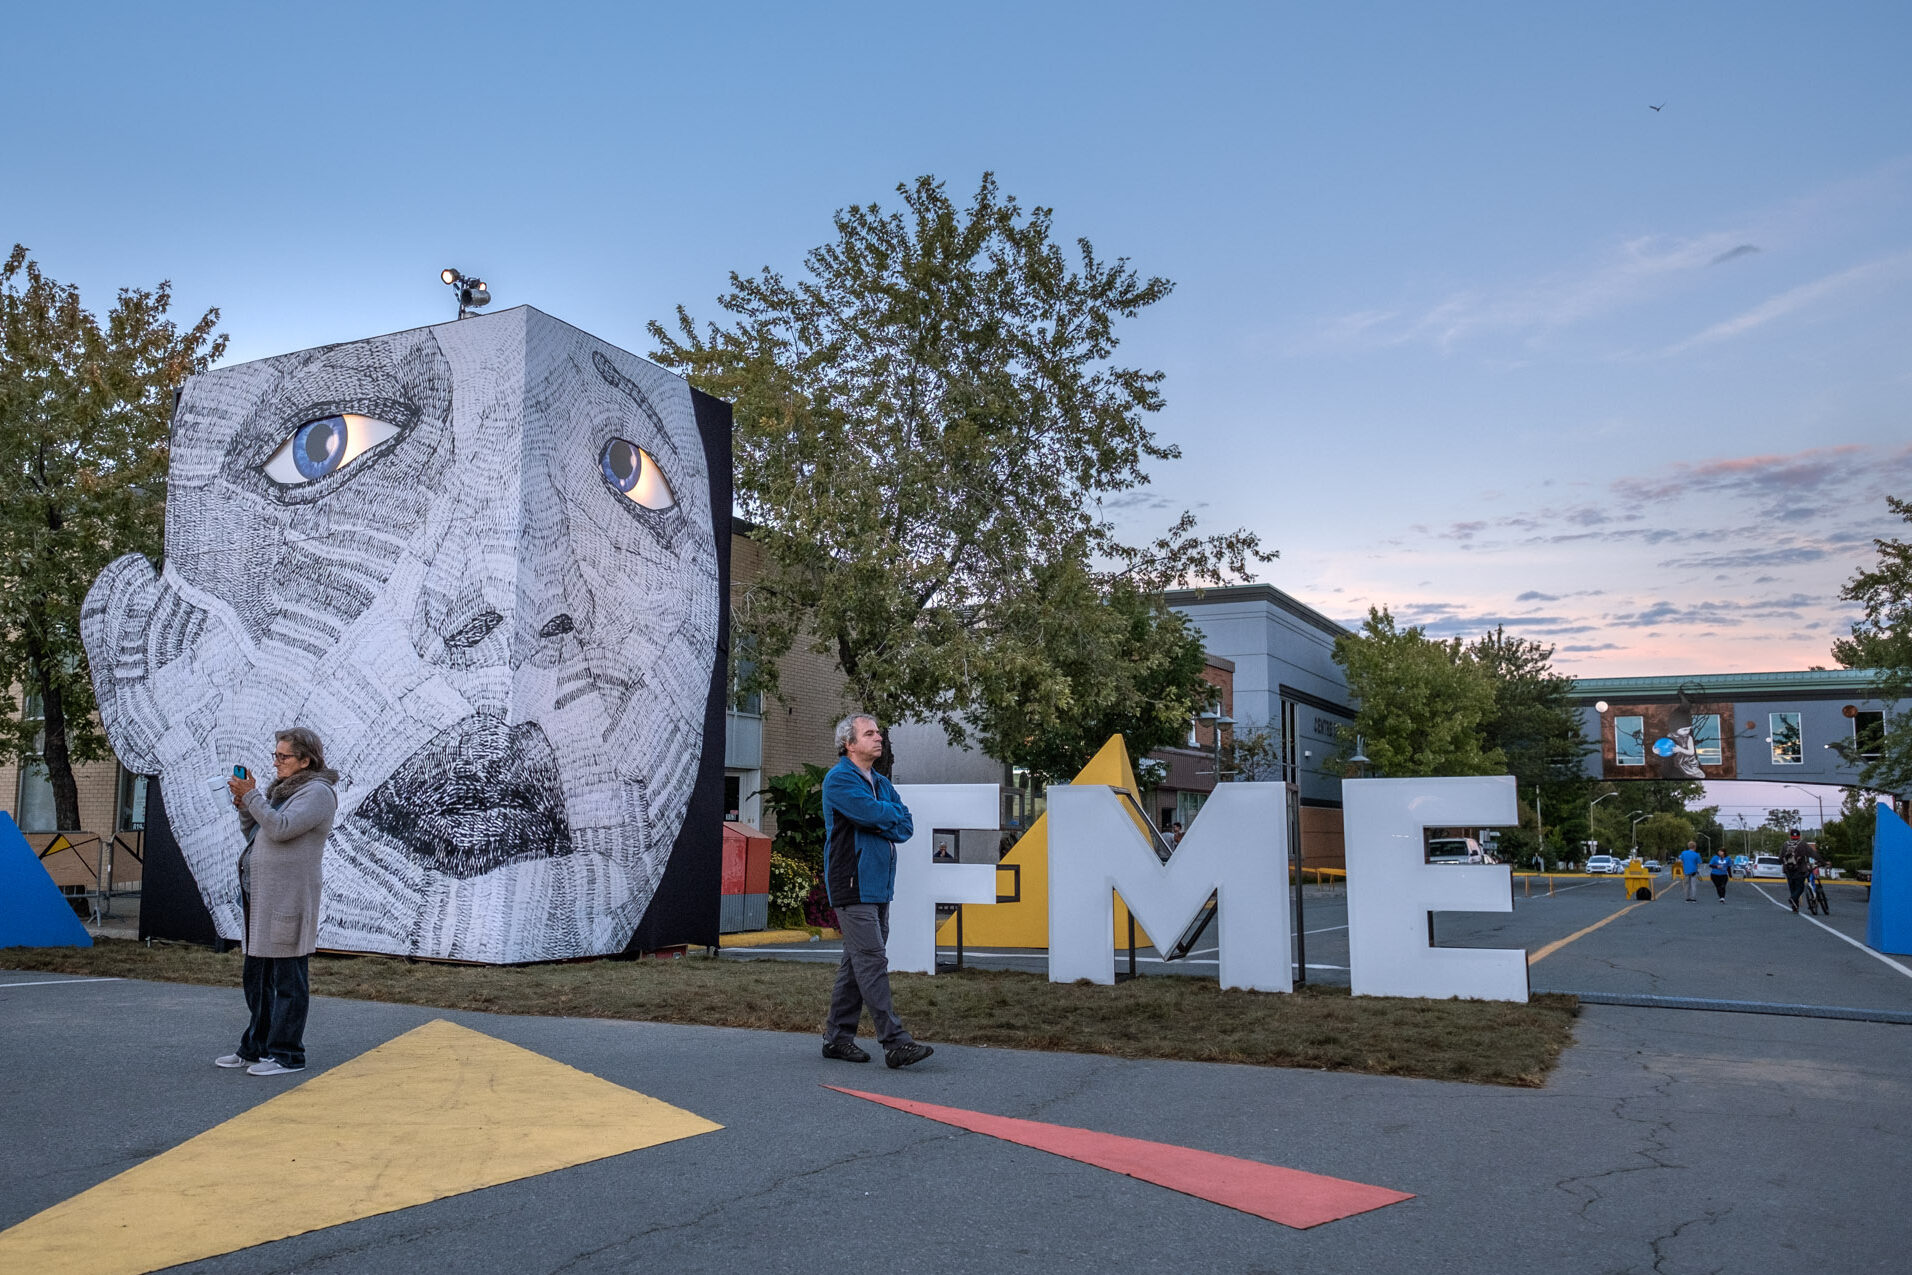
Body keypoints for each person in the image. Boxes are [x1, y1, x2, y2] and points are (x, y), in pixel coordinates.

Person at [216, 728, 338, 1076]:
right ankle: (255, 1047)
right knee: (257, 978)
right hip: (262, 898)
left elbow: (282, 828)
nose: (277, 762)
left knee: (287, 981)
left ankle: (287, 1054)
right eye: (275, 755)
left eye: (284, 757)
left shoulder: (317, 793)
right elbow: (257, 832)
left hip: (288, 899)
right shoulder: (284, 792)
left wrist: (252, 796)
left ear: (306, 760)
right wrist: (245, 805)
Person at [819, 713, 932, 1069]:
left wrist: (884, 816)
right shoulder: (839, 780)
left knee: (857, 962)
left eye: (878, 732)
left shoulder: (880, 781)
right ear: (849, 744)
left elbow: (906, 824)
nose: (878, 738)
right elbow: (870, 815)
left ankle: (837, 1038)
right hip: (851, 884)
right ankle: (895, 1042)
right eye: (869, 733)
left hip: (880, 885)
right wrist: (887, 816)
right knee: (872, 961)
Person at [1781, 830, 1809, 913]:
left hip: (1788, 870)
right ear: (1799, 836)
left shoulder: (1785, 844)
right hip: (1800, 870)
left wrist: (1786, 865)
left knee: (1792, 888)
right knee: (1800, 887)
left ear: (1790, 836)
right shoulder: (1803, 844)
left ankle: (1795, 907)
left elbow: (1781, 857)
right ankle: (1793, 899)